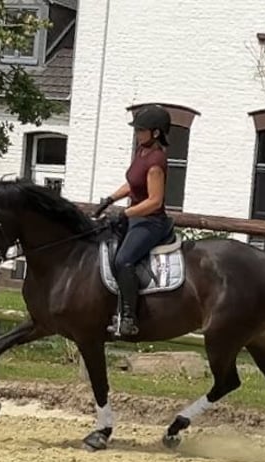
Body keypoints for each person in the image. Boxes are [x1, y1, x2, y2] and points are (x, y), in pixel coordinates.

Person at [94, 104, 173, 337]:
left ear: (155, 133)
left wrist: (124, 213)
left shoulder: (156, 161)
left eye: (141, 130)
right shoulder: (141, 153)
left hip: (151, 222)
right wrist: (109, 199)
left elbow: (155, 201)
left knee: (123, 260)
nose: (137, 134)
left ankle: (129, 317)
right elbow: (133, 184)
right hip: (136, 217)